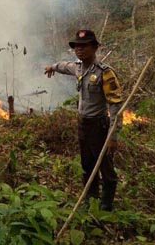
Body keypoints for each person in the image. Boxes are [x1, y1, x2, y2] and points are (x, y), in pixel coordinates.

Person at [44, 30, 122, 211]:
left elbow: (115, 106)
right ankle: (90, 198)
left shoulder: (105, 73)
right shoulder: (78, 67)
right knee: (87, 164)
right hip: (83, 125)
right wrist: (51, 67)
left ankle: (106, 204)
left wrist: (113, 135)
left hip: (99, 126)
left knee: (105, 166)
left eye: (84, 46)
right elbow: (64, 66)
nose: (79, 50)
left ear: (94, 47)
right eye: (76, 47)